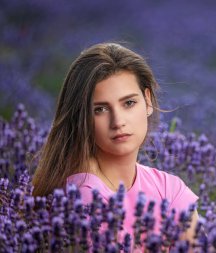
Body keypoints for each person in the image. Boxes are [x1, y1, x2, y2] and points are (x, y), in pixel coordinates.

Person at [32, 42, 199, 249]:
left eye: (129, 103)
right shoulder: (80, 196)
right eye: (100, 109)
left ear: (147, 101)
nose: (118, 121)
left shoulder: (170, 189)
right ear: (81, 118)